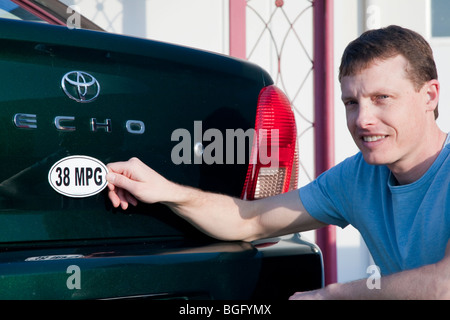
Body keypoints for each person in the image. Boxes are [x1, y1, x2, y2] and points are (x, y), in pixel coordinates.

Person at [105, 25, 450, 300]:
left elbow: (444, 286)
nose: (363, 119)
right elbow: (249, 220)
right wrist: (165, 190)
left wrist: (331, 295)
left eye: (382, 98)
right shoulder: (358, 177)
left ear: (429, 96)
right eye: (351, 103)